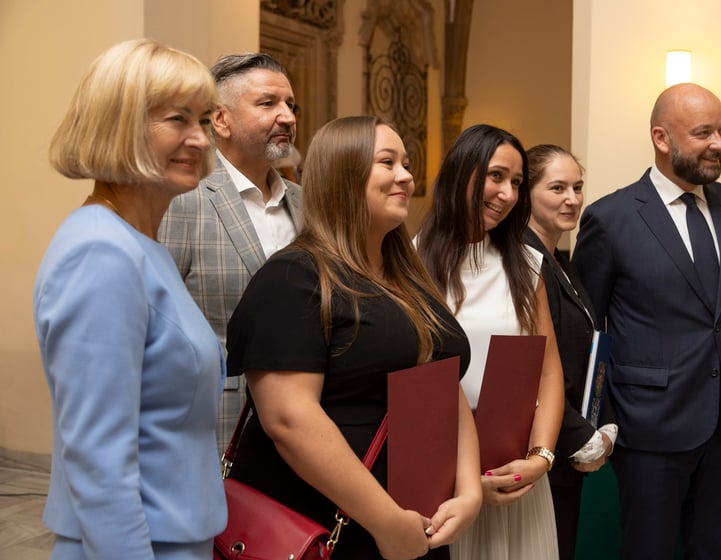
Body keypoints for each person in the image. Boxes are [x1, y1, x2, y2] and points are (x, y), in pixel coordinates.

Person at [225, 116, 483, 559]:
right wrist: (386, 521)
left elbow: (445, 380)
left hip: (415, 523)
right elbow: (289, 420)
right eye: (388, 162)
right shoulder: (294, 278)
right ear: (344, 173)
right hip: (327, 533)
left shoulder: (409, 276)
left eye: (406, 163)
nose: (406, 175)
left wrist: (469, 489)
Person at [573, 83, 721, 559]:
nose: (720, 143)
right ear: (661, 138)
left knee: (717, 550)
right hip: (648, 427)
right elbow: (588, 330)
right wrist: (597, 422)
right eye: (704, 132)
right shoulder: (610, 219)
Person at [34, 39, 226, 558]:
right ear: (120, 124)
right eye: (177, 119)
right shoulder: (102, 251)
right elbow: (98, 462)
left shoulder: (141, 245)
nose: (201, 140)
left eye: (205, 120)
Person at [416, 124, 565, 560]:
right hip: (444, 482)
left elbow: (550, 370)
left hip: (517, 470)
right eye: (496, 176)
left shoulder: (527, 264)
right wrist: (465, 480)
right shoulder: (411, 262)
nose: (507, 194)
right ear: (463, 171)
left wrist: (540, 459)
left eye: (516, 183)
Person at [158, 52, 303, 455]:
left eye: (290, 105)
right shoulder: (184, 199)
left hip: (308, 426)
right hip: (216, 424)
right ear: (221, 120)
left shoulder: (307, 203)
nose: (288, 117)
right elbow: (158, 322)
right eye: (268, 103)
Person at [523, 144, 618, 558]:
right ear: (526, 193)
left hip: (569, 450)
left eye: (578, 187)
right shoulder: (521, 262)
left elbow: (586, 350)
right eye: (557, 187)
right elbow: (530, 371)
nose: (573, 199)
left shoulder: (560, 260)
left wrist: (605, 423)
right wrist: (579, 435)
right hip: (539, 450)